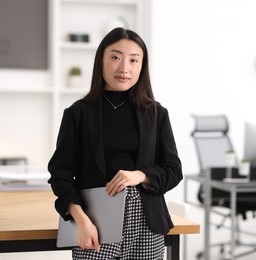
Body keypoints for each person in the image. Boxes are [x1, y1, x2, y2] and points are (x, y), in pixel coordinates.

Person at [48, 27, 183, 260]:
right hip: (94, 224)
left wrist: (140, 175)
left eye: (133, 60)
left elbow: (173, 170)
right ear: (101, 60)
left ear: (142, 66)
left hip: (146, 226)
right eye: (115, 57)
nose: (124, 68)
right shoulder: (78, 113)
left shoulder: (156, 114)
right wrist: (81, 221)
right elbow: (60, 176)